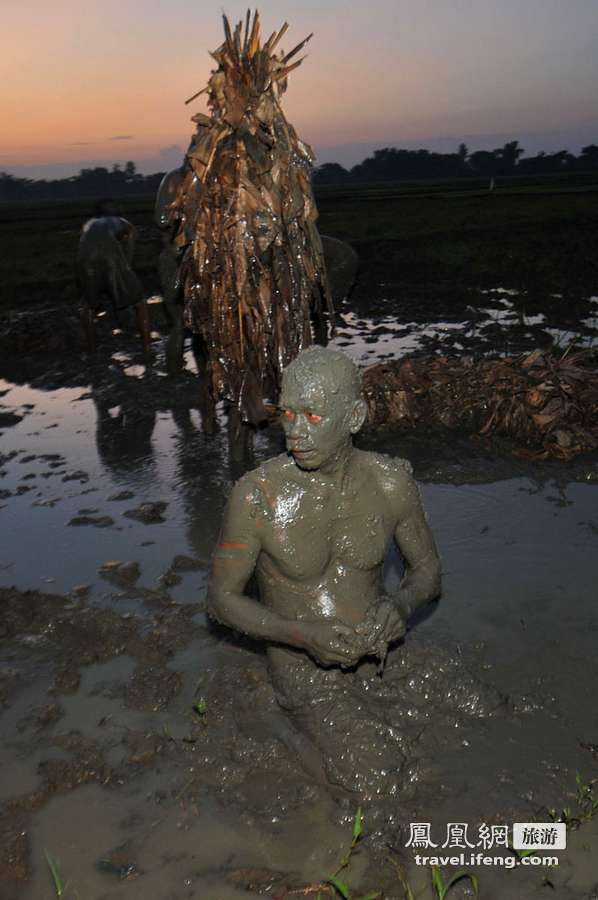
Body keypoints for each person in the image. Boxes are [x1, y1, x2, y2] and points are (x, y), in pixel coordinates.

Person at [208, 346, 441, 794]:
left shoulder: (391, 483)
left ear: (354, 417)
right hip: (304, 671)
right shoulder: (257, 497)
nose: (295, 432)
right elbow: (220, 600)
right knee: (376, 776)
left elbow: (428, 571)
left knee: (486, 706)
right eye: (288, 414)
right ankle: (284, 727)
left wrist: (401, 604)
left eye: (313, 417)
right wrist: (302, 636)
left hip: (382, 653)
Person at [76, 201, 151, 353]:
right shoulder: (124, 222)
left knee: (89, 305)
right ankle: (147, 347)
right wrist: (126, 272)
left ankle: (92, 350)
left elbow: (85, 245)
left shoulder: (89, 224)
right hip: (111, 257)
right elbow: (129, 249)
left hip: (84, 261)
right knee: (140, 301)